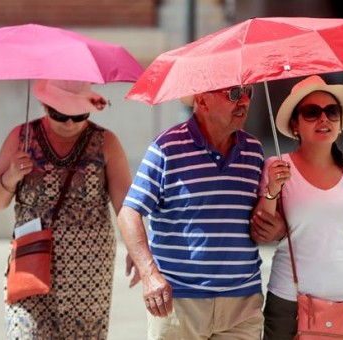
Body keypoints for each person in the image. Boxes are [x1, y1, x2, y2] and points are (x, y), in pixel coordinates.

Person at [118, 84, 283, 339]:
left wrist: (275, 209)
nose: (244, 102)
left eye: (248, 92)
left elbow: (261, 224)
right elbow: (129, 212)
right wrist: (149, 274)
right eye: (234, 94)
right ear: (203, 101)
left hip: (242, 302)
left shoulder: (253, 149)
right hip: (179, 302)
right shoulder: (166, 147)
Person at [0, 79, 132, 339]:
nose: (70, 123)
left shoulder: (106, 141)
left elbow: (126, 205)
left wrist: (137, 250)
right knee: (24, 332)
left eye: (78, 115)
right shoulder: (21, 137)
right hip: (31, 261)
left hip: (88, 270)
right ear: (44, 104)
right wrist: (11, 176)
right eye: (60, 114)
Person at [252, 75, 343, 340]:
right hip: (291, 303)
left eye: (331, 112)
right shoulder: (277, 168)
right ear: (295, 124)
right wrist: (271, 190)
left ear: (339, 122)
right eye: (312, 112)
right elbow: (260, 228)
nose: (323, 119)